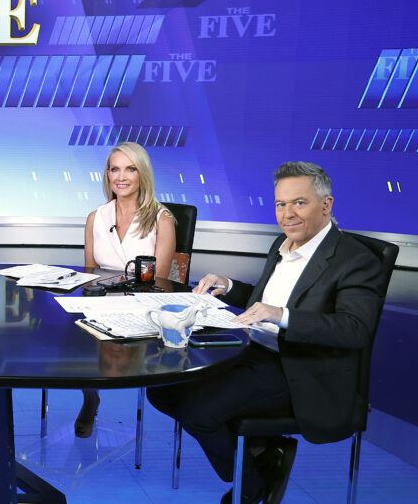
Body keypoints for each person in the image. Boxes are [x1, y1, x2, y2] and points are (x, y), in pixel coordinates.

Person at [147, 161, 383, 504]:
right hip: (251, 351)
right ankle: (261, 452)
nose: (287, 214)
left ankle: (253, 485)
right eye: (280, 204)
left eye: (299, 203)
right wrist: (228, 287)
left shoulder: (355, 260)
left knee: (200, 413)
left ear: (326, 205)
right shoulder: (283, 243)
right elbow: (267, 300)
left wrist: (282, 315)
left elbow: (355, 330)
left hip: (300, 369)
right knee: (162, 391)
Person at [77, 142, 176, 437]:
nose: (121, 176)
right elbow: (89, 274)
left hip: (142, 308)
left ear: (142, 174)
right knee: (77, 333)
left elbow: (159, 282)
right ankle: (89, 396)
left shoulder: (162, 219)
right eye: (114, 169)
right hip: (102, 306)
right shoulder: (96, 217)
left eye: (130, 169)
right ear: (107, 174)